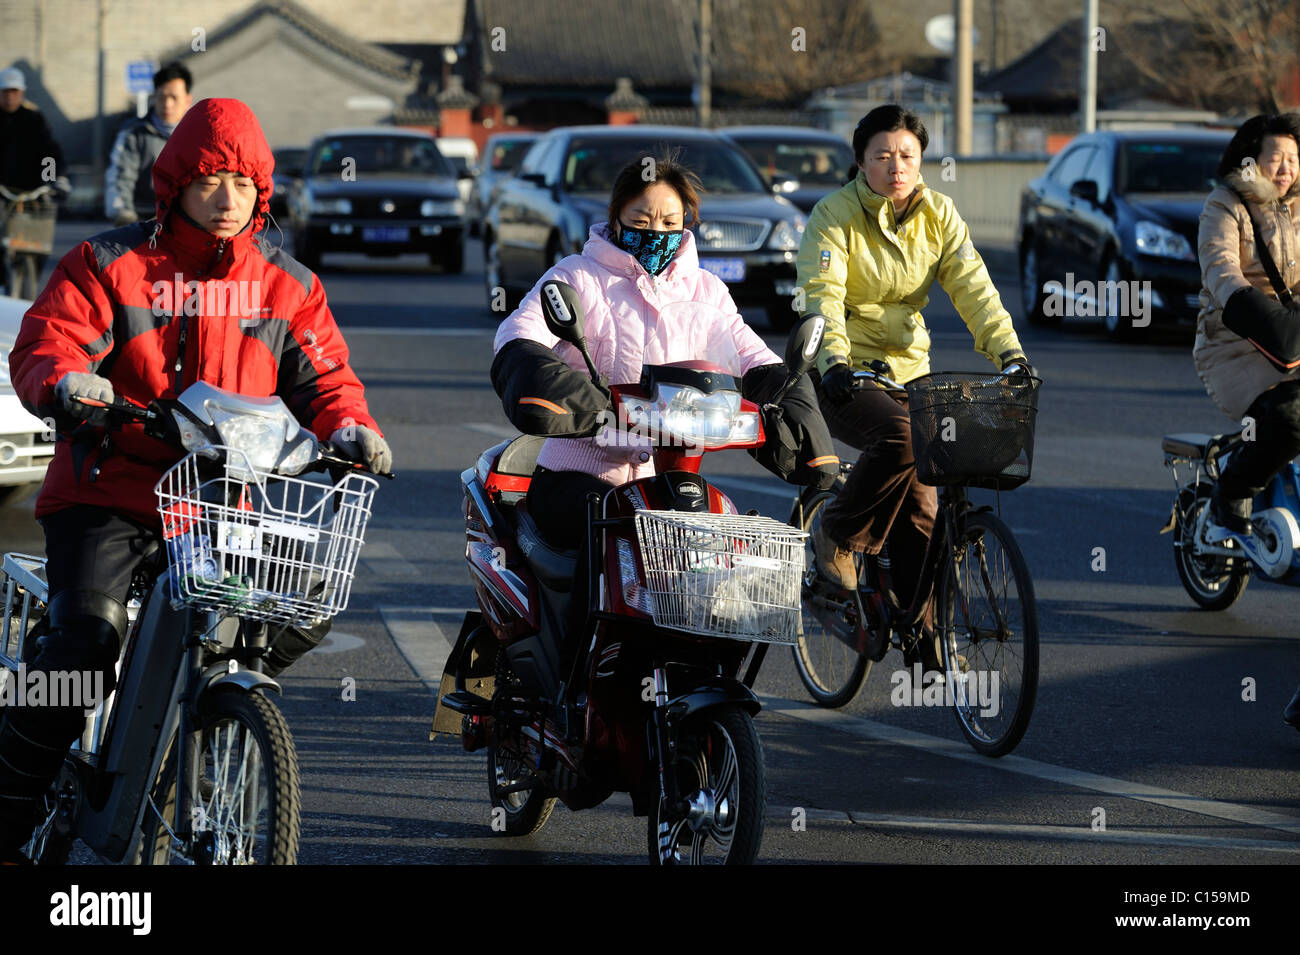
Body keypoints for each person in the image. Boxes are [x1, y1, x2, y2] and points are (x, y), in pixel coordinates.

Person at [0, 97, 391, 863]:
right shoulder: (108, 263)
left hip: (219, 505)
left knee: (296, 604)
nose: (228, 199)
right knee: (83, 646)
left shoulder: (288, 285)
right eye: (211, 180)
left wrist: (350, 426)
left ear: (263, 193)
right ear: (173, 182)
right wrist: (70, 383)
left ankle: (198, 710)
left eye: (245, 184)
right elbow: (48, 345)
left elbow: (327, 379)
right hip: (108, 490)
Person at [491, 148, 837, 582]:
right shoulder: (578, 275)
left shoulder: (706, 289)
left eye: (670, 223)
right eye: (641, 221)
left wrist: (796, 403)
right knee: (610, 553)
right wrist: (551, 383)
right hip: (577, 475)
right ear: (616, 217)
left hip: (670, 480)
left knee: (725, 564)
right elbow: (519, 333)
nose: (657, 232)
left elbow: (751, 355)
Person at [795, 105, 1031, 674]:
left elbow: (975, 287)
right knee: (901, 439)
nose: (896, 166)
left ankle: (922, 634)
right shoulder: (832, 216)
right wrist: (833, 362)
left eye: (907, 155)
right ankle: (837, 533)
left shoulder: (939, 214)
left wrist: (1011, 354)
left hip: (909, 370)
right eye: (882, 155)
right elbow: (821, 293)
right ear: (860, 161)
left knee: (928, 499)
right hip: (843, 371)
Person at [1196, 113, 1300, 544]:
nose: (1286, 169)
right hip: (1233, 343)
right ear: (1251, 160)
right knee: (1290, 417)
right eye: (1276, 157)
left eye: (1294, 160)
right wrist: (1253, 309)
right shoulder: (1224, 205)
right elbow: (1222, 271)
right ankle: (1230, 494)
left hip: (1292, 338)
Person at [0, 65, 68, 292]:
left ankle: (32, 274)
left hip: (32, 192)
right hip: (2, 191)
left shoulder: (34, 119)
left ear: (22, 93)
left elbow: (49, 152)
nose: (10, 96)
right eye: (5, 91)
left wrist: (52, 180)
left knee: (39, 241)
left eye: (14, 92)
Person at [104, 61, 193, 226]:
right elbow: (120, 176)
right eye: (162, 97)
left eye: (174, 97)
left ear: (188, 100)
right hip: (142, 220)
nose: (167, 104)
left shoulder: (198, 135)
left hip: (186, 221)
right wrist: (124, 214)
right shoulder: (134, 133)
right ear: (154, 97)